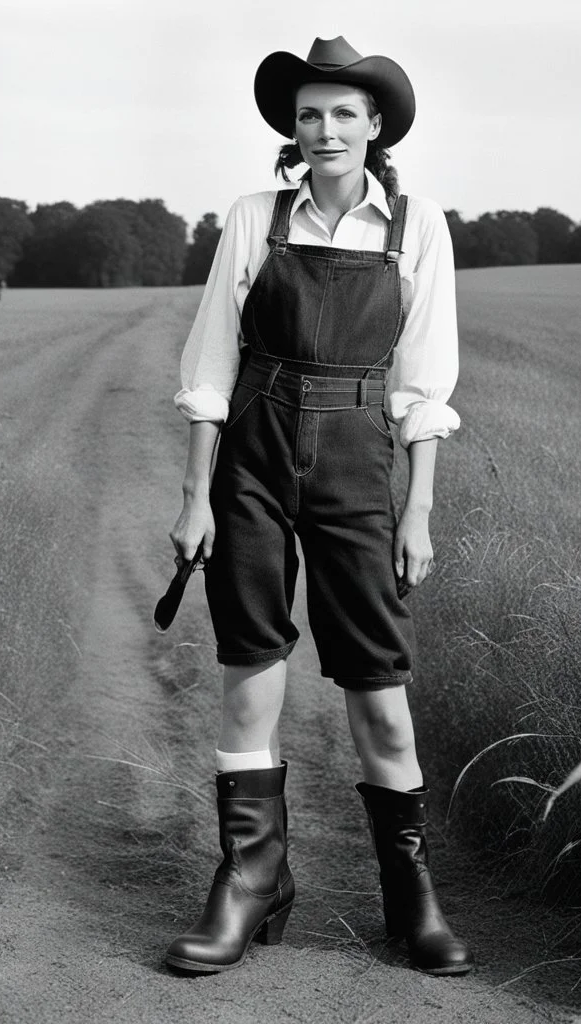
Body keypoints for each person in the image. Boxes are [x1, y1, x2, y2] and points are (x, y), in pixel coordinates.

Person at [165, 35, 471, 977]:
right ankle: (251, 880)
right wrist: (195, 497)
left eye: (344, 113)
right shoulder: (255, 217)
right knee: (251, 672)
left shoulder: (417, 227)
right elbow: (214, 363)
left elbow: (423, 387)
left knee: (380, 697)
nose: (325, 129)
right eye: (309, 114)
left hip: (356, 464)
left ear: (375, 127)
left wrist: (416, 512)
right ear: (291, 130)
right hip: (251, 458)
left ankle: (409, 899)